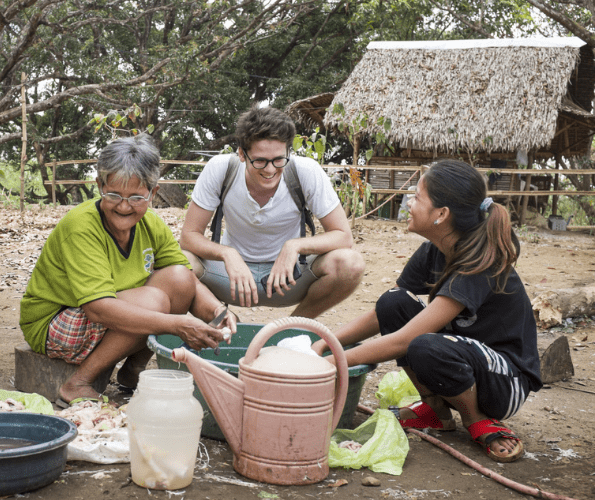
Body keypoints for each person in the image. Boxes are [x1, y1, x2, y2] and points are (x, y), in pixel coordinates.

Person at [311, 159, 542, 463]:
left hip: (504, 382)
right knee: (393, 302)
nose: (408, 202)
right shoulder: (436, 249)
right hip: (463, 356)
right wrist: (322, 342)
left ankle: (477, 420)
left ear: (441, 215)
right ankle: (435, 411)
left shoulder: (480, 262)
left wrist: (331, 363)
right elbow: (384, 315)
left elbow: (403, 340)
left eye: (417, 197)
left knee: (424, 345)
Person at [20, 134, 237, 407]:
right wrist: (178, 325)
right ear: (99, 186)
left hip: (105, 312)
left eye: (136, 197)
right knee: (155, 301)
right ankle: (77, 383)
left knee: (180, 278)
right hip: (55, 322)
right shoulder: (82, 227)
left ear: (153, 193)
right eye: (113, 195)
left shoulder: (151, 224)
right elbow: (98, 309)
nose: (124, 207)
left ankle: (133, 370)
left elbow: (189, 284)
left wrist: (218, 312)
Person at [179, 106, 364, 316]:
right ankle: (223, 323)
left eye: (278, 160)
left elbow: (343, 236)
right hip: (231, 278)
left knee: (351, 264)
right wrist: (227, 253)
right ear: (241, 153)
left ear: (288, 152)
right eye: (259, 161)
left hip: (288, 279)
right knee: (178, 264)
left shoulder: (305, 171)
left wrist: (294, 246)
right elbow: (188, 236)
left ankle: (291, 329)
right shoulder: (221, 169)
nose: (270, 170)